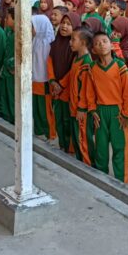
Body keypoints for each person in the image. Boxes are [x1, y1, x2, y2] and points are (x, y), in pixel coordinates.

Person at [84, 32, 128, 183]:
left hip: (118, 112)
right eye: (97, 43)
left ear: (112, 45)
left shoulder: (120, 66)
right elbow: (89, 91)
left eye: (105, 41)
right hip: (100, 111)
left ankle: (121, 180)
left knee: (119, 148)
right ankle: (102, 178)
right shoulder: (92, 68)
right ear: (93, 50)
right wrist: (92, 110)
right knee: (101, 148)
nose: (102, 45)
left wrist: (126, 114)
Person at [48, 12, 81, 153]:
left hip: (67, 91)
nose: (64, 26)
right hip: (56, 88)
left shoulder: (76, 48)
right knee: (59, 119)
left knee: (68, 120)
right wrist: (53, 81)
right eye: (63, 23)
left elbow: (73, 70)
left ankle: (71, 148)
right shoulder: (56, 43)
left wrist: (61, 84)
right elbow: (49, 61)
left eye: (69, 24)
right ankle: (62, 144)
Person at [69, 27, 95, 165]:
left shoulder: (86, 63)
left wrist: (82, 108)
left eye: (73, 40)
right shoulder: (76, 59)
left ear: (83, 43)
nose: (70, 42)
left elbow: (87, 90)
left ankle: (88, 166)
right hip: (74, 108)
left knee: (84, 140)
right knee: (78, 140)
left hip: (81, 111)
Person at [32, 14, 55, 139]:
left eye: (32, 26)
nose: (30, 29)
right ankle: (39, 130)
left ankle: (49, 133)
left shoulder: (48, 43)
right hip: (34, 79)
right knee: (36, 107)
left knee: (45, 109)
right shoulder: (35, 40)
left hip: (44, 80)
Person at [0, 7, 16, 123]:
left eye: (8, 18)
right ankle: (6, 115)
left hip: (12, 70)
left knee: (12, 96)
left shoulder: (18, 35)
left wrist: (12, 64)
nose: (5, 20)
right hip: (6, 69)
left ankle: (13, 118)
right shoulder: (9, 32)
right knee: (5, 93)